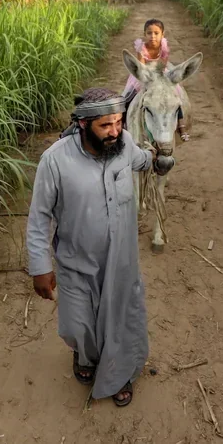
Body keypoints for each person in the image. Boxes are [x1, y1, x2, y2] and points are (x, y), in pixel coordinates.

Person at [26, 87, 169, 407]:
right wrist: (40, 267)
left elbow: (141, 159)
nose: (114, 131)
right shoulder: (55, 161)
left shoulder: (124, 144)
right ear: (83, 124)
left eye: (118, 122)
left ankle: (119, 374)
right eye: (105, 125)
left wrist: (155, 159)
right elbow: (39, 217)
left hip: (121, 263)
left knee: (121, 321)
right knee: (77, 326)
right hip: (76, 262)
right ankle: (85, 354)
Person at [121, 19, 190, 141]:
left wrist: (159, 77)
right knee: (127, 95)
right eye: (149, 33)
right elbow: (141, 65)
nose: (152, 36)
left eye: (156, 33)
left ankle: (181, 125)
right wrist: (149, 76)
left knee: (176, 95)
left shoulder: (163, 47)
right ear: (144, 34)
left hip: (160, 73)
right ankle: (122, 123)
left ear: (162, 34)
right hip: (146, 73)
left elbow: (162, 65)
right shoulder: (141, 47)